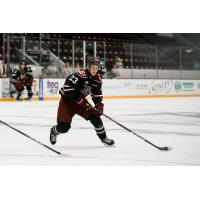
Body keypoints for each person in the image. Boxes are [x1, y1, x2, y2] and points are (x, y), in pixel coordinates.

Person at [50, 57, 114, 146]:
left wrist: (99, 106)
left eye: (96, 68)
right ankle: (54, 131)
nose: (94, 70)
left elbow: (96, 95)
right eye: (92, 67)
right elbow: (67, 88)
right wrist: (79, 100)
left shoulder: (97, 81)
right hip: (67, 102)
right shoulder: (80, 75)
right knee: (64, 127)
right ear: (88, 67)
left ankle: (103, 138)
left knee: (96, 119)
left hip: (80, 103)